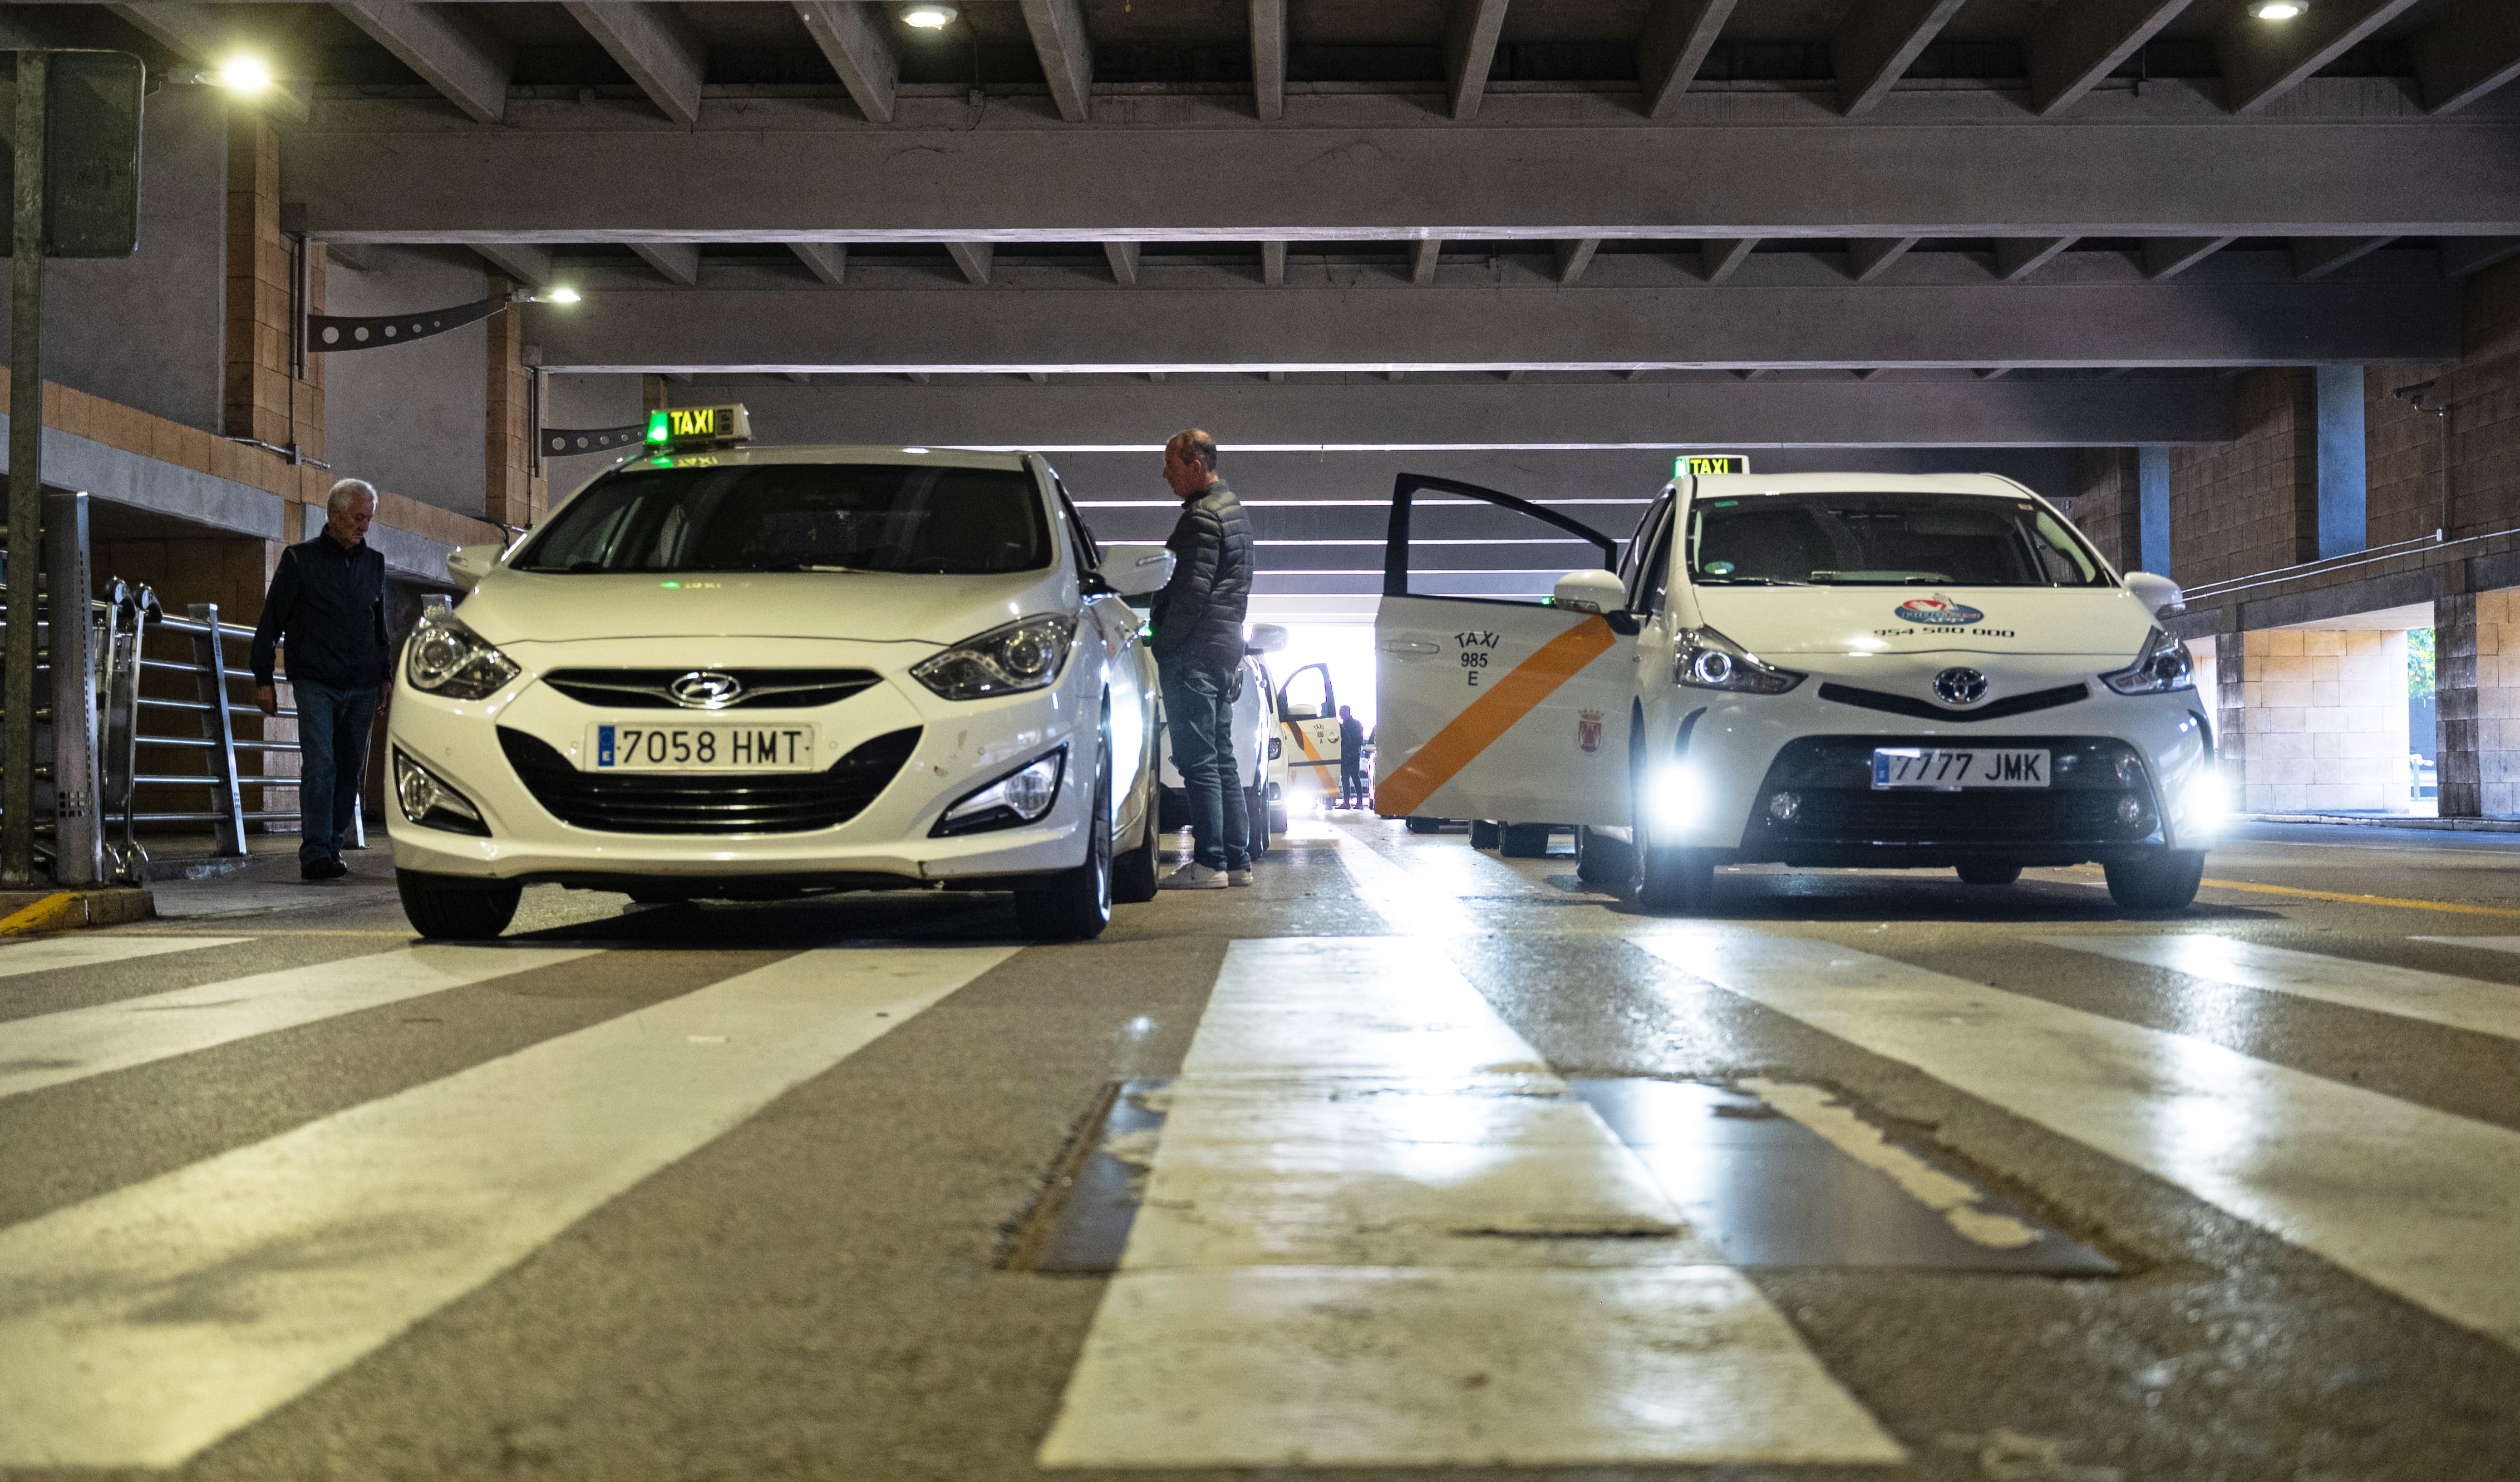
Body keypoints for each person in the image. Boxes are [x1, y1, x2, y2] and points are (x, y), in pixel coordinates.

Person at [251, 479, 392, 882]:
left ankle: (331, 845)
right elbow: (270, 620)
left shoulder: (375, 563)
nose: (364, 526)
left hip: (363, 684)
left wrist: (385, 676)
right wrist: (262, 675)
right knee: (321, 763)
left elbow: (379, 627)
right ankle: (314, 852)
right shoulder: (299, 560)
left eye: (368, 518)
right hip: (315, 680)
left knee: (349, 767)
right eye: (358, 517)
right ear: (333, 515)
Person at [1150, 429, 1254, 889]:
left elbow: (1189, 594)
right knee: (1223, 759)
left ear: (1196, 465)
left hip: (1193, 653)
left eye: (1172, 466)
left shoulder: (1201, 518)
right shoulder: (1234, 512)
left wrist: (1163, 642)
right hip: (1222, 650)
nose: (1166, 475)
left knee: (1198, 762)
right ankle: (1237, 862)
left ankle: (1209, 862)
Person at [1337, 703, 1367, 809]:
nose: (1340, 715)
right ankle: (1358, 802)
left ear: (1346, 712)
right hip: (1354, 755)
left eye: (1341, 713)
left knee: (1348, 778)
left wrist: (1346, 748)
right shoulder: (1356, 725)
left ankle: (1347, 802)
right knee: (1354, 778)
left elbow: (1357, 741)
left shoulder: (1345, 726)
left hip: (1349, 755)